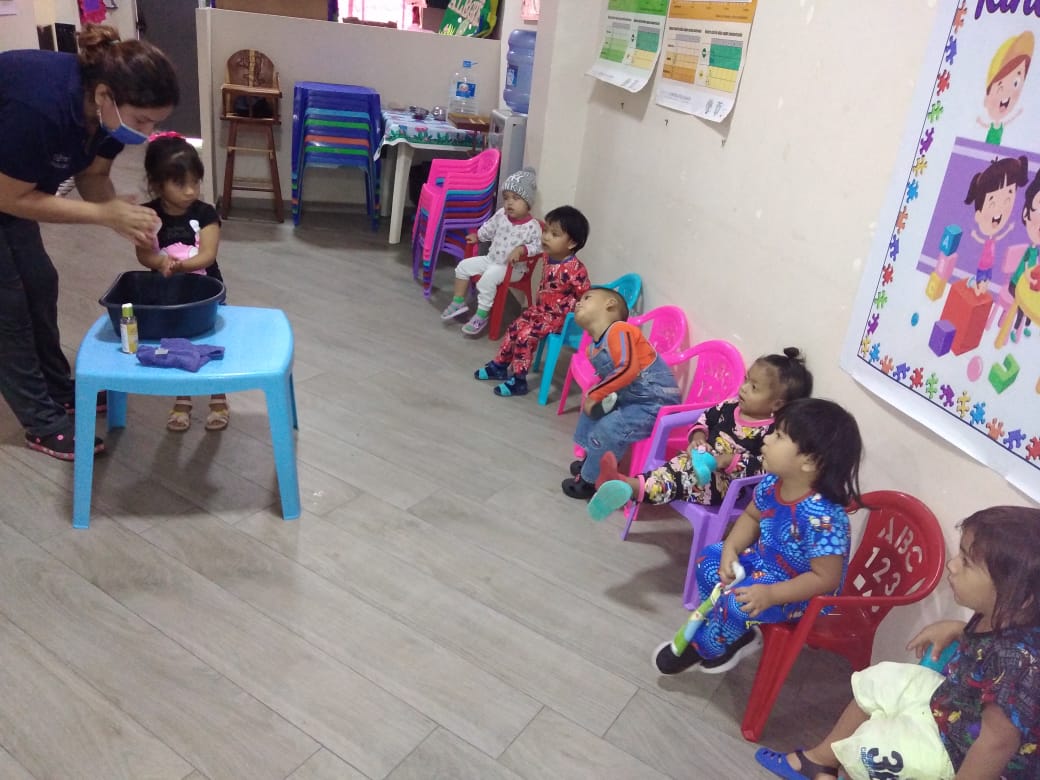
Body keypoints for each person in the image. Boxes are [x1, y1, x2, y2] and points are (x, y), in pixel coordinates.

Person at [755, 506, 1040, 780]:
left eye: (966, 562)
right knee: (882, 679)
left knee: (874, 747)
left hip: (960, 754)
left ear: (1019, 593)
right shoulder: (1001, 612)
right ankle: (820, 760)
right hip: (952, 709)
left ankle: (846, 771)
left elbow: (996, 745)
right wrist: (957, 630)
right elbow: (989, 650)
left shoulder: (1021, 662)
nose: (953, 565)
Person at [0, 24, 178, 460]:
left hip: (12, 184)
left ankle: (58, 389)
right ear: (104, 95)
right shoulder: (41, 106)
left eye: (156, 123)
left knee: (40, 281)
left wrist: (123, 220)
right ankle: (41, 422)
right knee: (8, 306)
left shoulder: (106, 116)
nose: (147, 132)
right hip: (6, 188)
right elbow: (9, 197)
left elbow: (93, 175)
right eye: (142, 120)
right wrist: (104, 214)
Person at [653, 397, 864, 675]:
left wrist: (772, 594)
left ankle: (708, 647)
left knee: (737, 603)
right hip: (763, 562)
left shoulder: (823, 517)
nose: (766, 439)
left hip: (800, 593)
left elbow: (825, 579)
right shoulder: (773, 482)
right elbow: (752, 516)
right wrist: (730, 548)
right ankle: (727, 629)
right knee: (709, 560)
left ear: (810, 461)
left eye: (779, 436)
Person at [586, 347, 813, 519]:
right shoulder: (729, 407)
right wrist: (698, 438)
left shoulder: (773, 432)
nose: (743, 388)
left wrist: (728, 461)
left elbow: (766, 466)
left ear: (776, 404)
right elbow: (704, 420)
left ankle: (627, 486)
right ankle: (624, 487)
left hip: (725, 487)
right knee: (671, 470)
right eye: (746, 379)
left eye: (754, 387)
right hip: (696, 461)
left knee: (681, 480)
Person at [135, 133, 229, 432]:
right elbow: (144, 254)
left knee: (210, 342)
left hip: (207, 292)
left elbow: (208, 254)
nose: (191, 191)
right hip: (168, 294)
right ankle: (182, 398)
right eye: (180, 184)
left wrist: (178, 266)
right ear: (157, 183)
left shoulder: (205, 213)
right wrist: (159, 263)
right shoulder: (148, 215)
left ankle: (218, 397)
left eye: (195, 182)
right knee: (176, 343)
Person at [557, 286, 682, 498]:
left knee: (609, 428)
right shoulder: (593, 348)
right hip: (630, 397)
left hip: (655, 402)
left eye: (587, 298)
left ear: (610, 304)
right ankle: (591, 461)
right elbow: (612, 378)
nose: (579, 302)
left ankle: (592, 481)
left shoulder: (620, 330)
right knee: (592, 414)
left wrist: (596, 395)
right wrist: (596, 398)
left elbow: (628, 368)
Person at [474, 205, 590, 397]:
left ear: (572, 243)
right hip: (540, 310)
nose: (546, 237)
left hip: (558, 318)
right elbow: (534, 247)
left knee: (525, 336)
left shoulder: (576, 269)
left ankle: (519, 380)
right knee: (514, 328)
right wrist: (521, 249)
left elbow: (585, 295)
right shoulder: (548, 255)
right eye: (546, 231)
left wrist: (578, 315)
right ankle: (500, 366)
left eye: (554, 234)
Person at [440, 168, 542, 336]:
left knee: (488, 278)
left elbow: (539, 246)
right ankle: (458, 302)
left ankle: (482, 315)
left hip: (513, 269)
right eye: (506, 198)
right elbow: (489, 228)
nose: (509, 203)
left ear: (528, 202)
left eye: (516, 198)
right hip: (492, 259)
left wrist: (522, 249)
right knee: (463, 267)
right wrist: (478, 236)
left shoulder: (532, 226)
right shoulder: (501, 214)